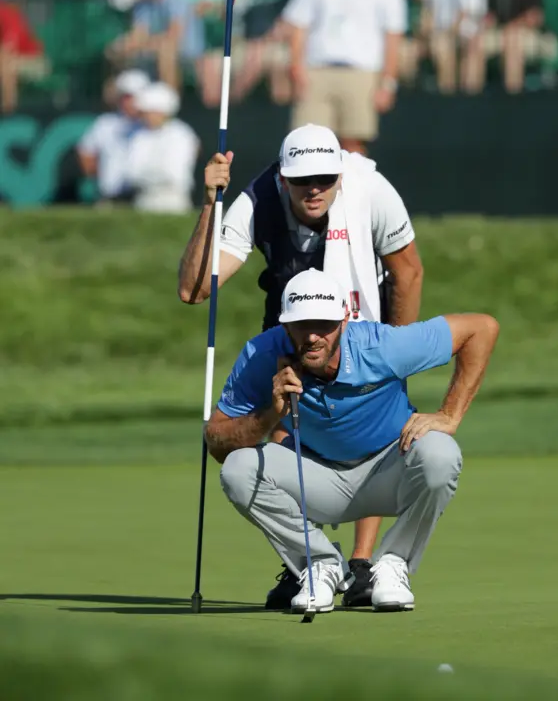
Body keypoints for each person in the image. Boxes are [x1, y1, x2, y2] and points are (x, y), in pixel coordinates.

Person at [178, 123, 424, 609]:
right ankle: (311, 562)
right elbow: (195, 289)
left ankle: (361, 566)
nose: (314, 189)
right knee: (277, 431)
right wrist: (210, 202)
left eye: (325, 178)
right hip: (289, 320)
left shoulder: (372, 188)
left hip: (359, 320)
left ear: (339, 174)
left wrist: (395, 352)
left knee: (368, 430)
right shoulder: (256, 200)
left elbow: (408, 270)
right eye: (301, 179)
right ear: (282, 177)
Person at [207, 268, 500, 613]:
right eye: (302, 324)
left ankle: (392, 564)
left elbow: (481, 328)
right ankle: (321, 565)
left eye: (325, 324)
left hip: (389, 473)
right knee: (239, 469)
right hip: (317, 479)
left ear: (344, 319)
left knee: (440, 452)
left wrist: (450, 414)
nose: (313, 336)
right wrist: (270, 414)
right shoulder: (261, 355)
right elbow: (217, 442)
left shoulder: (380, 345)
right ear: (284, 325)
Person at [282, 0, 408, 156]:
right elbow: (298, 25)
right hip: (317, 71)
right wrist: (297, 68)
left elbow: (393, 36)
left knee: (353, 146)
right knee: (309, 146)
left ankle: (352, 194)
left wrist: (388, 83)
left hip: (362, 72)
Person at [76, 68, 150, 205]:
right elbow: (86, 153)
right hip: (110, 196)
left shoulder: (151, 126)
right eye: (126, 97)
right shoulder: (105, 124)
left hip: (145, 197)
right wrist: (102, 177)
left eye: (134, 97)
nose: (130, 102)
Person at [126, 82, 200, 213]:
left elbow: (175, 173)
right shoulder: (139, 135)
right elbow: (132, 172)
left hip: (173, 201)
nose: (147, 116)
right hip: (143, 201)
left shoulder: (181, 134)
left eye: (150, 112)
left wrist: (148, 176)